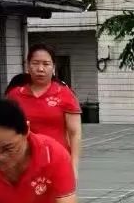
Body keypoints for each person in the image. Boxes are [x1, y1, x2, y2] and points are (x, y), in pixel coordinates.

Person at [7, 44, 82, 173]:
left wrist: (73, 167)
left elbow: (75, 134)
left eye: (46, 64)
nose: (40, 69)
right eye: (35, 63)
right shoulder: (15, 95)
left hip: (57, 161)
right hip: (23, 164)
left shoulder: (65, 94)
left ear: (53, 67)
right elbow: (6, 130)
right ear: (28, 66)